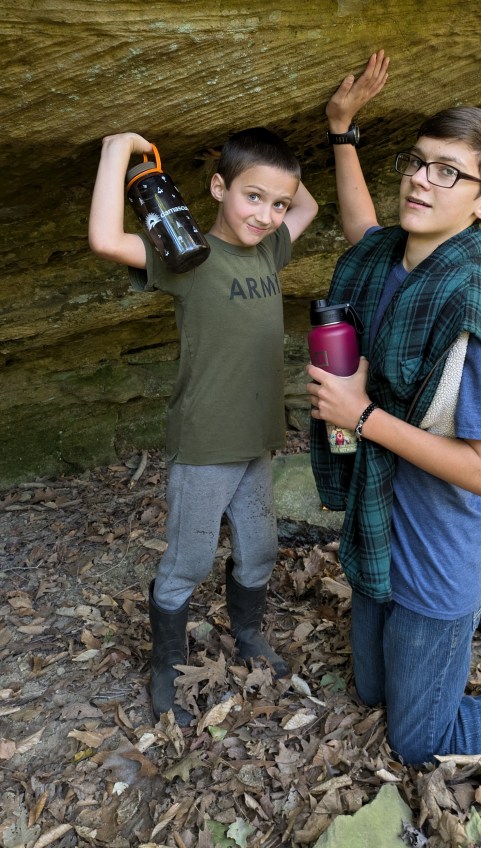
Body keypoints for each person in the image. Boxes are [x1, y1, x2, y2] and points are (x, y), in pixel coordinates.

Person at [307, 50, 481, 765]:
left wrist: (362, 416)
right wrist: (342, 130)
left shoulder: (466, 310)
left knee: (419, 737)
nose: (422, 180)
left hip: (433, 553)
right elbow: (362, 229)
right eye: (418, 163)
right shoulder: (391, 261)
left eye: (448, 172)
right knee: (369, 688)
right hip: (379, 529)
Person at [89, 127, 318, 725]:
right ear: (218, 188)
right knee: (188, 561)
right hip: (205, 445)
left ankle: (249, 635)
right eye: (252, 196)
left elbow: (310, 205)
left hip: (256, 442)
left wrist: (270, 170)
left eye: (277, 203)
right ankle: (168, 662)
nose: (266, 214)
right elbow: (105, 240)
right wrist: (117, 153)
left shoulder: (270, 250)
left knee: (260, 550)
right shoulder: (187, 256)